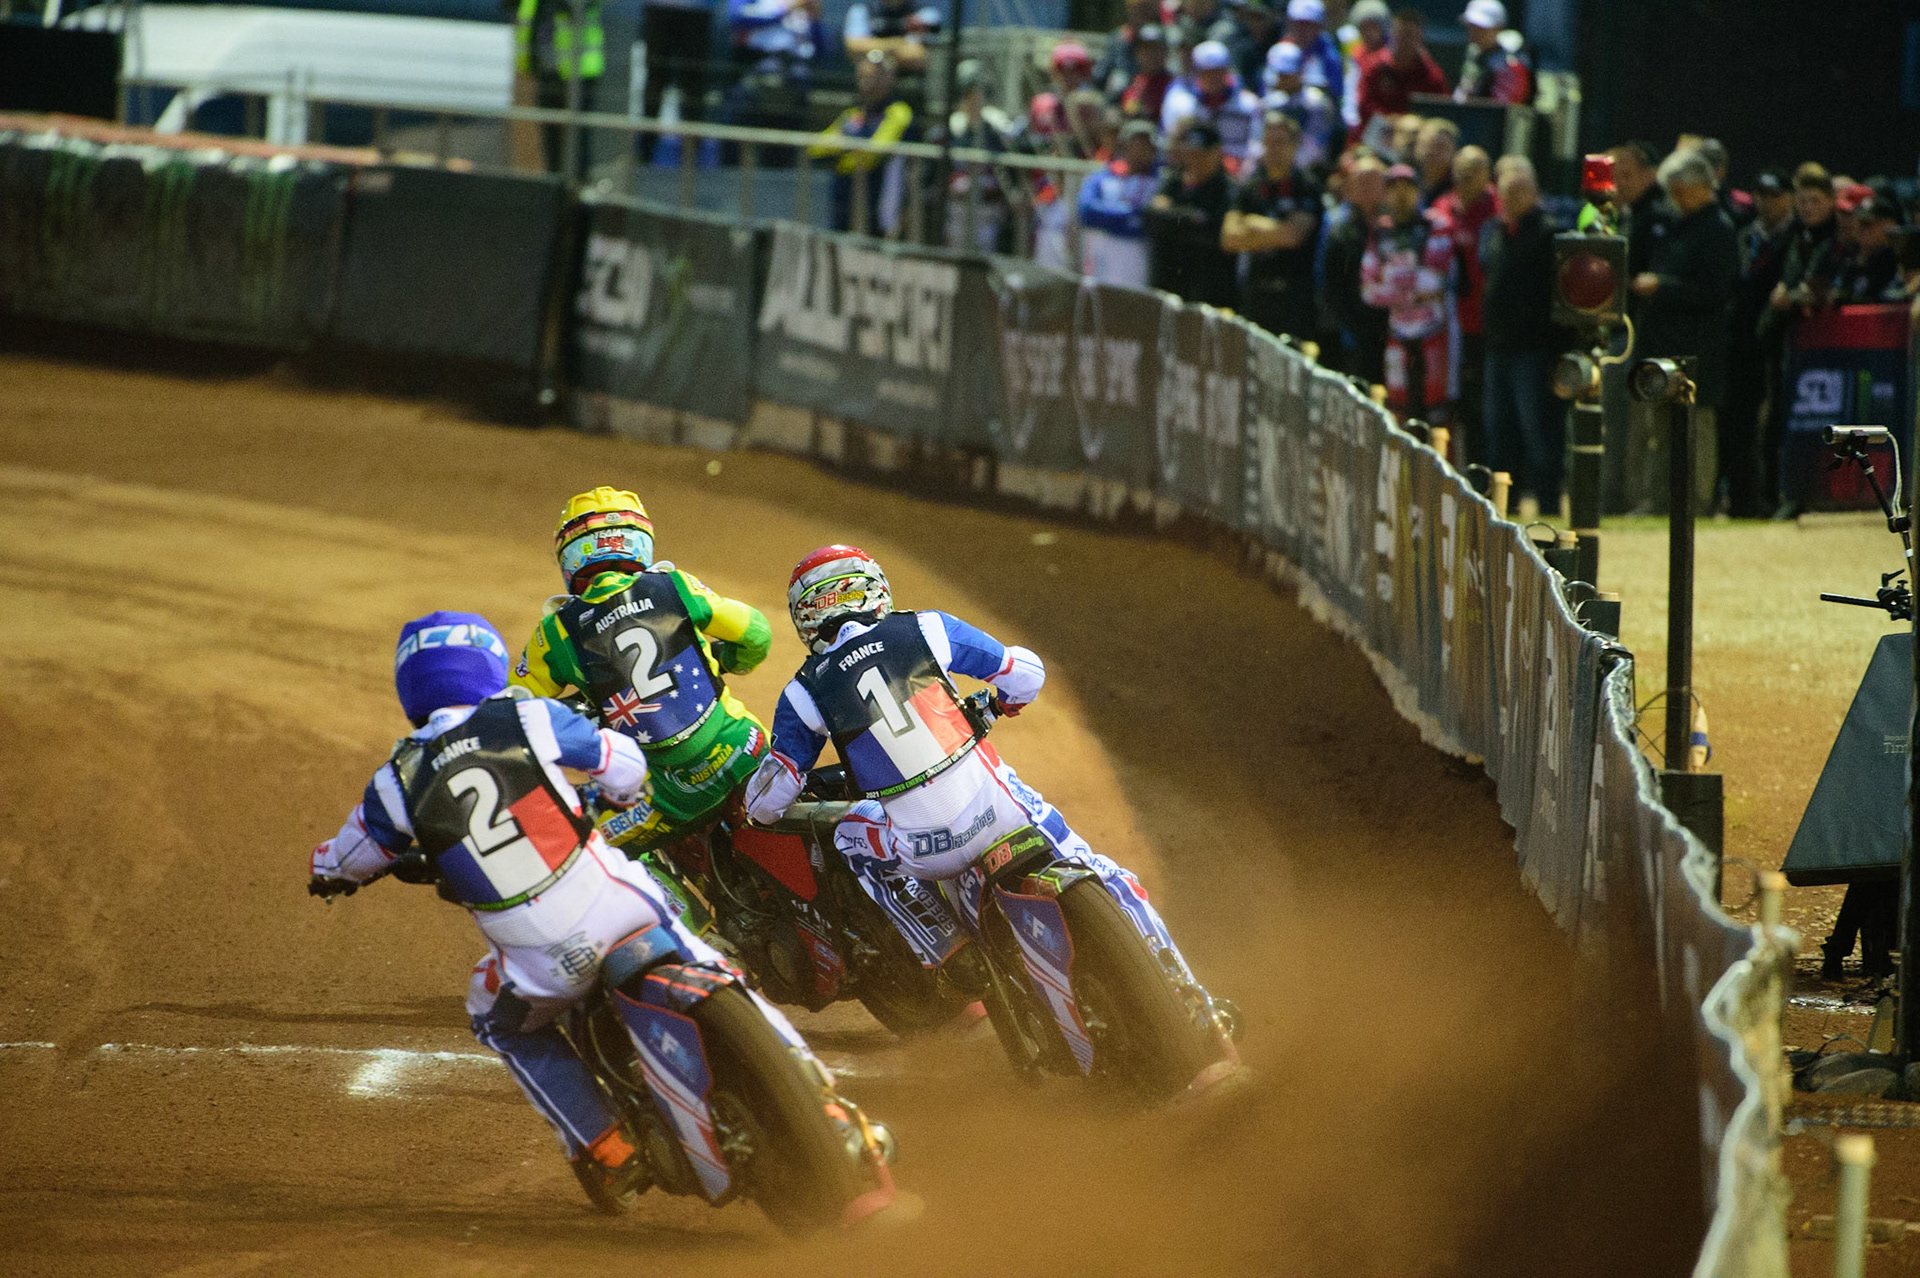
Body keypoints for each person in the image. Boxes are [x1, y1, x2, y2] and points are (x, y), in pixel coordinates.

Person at [308, 610, 714, 1205]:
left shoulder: (398, 777)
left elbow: (349, 860)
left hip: (542, 961)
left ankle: (605, 1145)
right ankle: (823, 1101)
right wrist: (616, 794)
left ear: (409, 685)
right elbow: (625, 765)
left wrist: (325, 872)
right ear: (489, 664)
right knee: (707, 954)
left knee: (494, 1019)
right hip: (620, 904)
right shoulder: (527, 713)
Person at [741, 546, 1222, 1032]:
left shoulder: (804, 692)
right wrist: (996, 706)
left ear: (806, 621)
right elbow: (1026, 676)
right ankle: (1195, 1006)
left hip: (924, 851)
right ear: (875, 590)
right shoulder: (926, 628)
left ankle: (944, 948)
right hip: (1001, 815)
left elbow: (772, 797)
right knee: (1115, 881)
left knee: (847, 838)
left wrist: (755, 806)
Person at [509, 488, 774, 930]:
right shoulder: (674, 586)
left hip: (672, 793)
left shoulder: (556, 631)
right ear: (639, 542)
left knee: (593, 850)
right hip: (745, 746)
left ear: (571, 557)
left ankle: (699, 940)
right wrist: (726, 662)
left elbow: (515, 712)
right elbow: (758, 635)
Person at [1628, 147, 1739, 515]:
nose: (1673, 197)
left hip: (1698, 350)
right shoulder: (1675, 224)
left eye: (1678, 189)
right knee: (1660, 430)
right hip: (1663, 345)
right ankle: (1660, 502)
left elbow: (1716, 292)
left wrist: (1662, 287)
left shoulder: (1718, 230)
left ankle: (1696, 503)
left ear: (1700, 187)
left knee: (1697, 429)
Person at [1479, 156, 1566, 517]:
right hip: (1498, 348)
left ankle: (1547, 503)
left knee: (1539, 432)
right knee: (1500, 430)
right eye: (1505, 193)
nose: (1510, 200)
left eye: (1517, 192)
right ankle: (1506, 505)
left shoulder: (1548, 232)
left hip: (1532, 349)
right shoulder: (1496, 231)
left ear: (1534, 193)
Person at [1720, 167, 1795, 517]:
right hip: (1742, 342)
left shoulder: (1796, 237)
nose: (1767, 202)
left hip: (1779, 342)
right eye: (1762, 195)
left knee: (1771, 425)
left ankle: (1769, 496)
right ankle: (1743, 499)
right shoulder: (1746, 235)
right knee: (1739, 423)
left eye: (1775, 195)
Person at [1362, 162, 1456, 426]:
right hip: (1398, 334)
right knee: (1397, 408)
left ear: (1418, 191)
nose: (1401, 195)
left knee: (1437, 411)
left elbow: (1434, 282)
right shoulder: (1380, 232)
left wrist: (1393, 279)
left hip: (1433, 333)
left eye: (1407, 188)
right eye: (1393, 189)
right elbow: (1368, 291)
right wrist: (1410, 293)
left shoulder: (1436, 225)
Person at [1224, 109, 1323, 339]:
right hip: (1255, 293)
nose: (1274, 149)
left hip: (1294, 297)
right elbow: (1229, 238)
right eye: (1268, 142)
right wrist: (1275, 230)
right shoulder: (1251, 185)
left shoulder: (1306, 186)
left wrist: (1251, 225)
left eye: (1280, 142)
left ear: (1294, 145)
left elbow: (1292, 236)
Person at [813, 51, 918, 235]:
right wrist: (851, 150)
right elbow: (816, 148)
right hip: (845, 203)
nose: (869, 83)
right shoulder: (853, 115)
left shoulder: (899, 112)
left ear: (890, 79)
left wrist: (843, 153)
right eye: (864, 76)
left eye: (877, 77)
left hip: (879, 207)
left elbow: (874, 153)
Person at [1433, 145, 1494, 460]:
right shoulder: (1443, 208)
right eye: (1460, 174)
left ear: (1487, 175)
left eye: (1473, 174)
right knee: (1452, 403)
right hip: (1447, 326)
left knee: (1483, 405)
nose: (1466, 180)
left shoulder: (1497, 208)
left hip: (1485, 325)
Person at [1145, 120, 1239, 307]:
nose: (1195, 160)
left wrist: (1175, 219)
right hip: (1167, 286)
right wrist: (1191, 219)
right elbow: (1152, 216)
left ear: (1216, 152)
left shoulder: (1227, 190)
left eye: (1202, 154)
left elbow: (1216, 231)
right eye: (1191, 153)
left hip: (1209, 292)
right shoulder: (1173, 182)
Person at [929, 60, 1014, 253]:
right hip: (956, 212)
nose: (974, 98)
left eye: (978, 91)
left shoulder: (996, 131)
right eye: (968, 92)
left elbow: (1006, 175)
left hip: (986, 213)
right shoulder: (948, 131)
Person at [1320, 150, 1390, 381]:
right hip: (1350, 328)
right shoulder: (1336, 227)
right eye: (1361, 181)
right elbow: (1328, 280)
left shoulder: (1395, 226)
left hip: (1389, 330)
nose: (1367, 188)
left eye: (1374, 181)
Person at [515, 0, 604, 179]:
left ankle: (577, 193)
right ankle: (555, 188)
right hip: (544, 68)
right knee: (550, 140)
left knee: (577, 141)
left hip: (579, 71)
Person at [720, 0, 823, 137]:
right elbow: (736, 18)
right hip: (751, 63)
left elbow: (821, 48)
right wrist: (785, 11)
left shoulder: (804, 4)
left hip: (794, 71)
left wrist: (815, 19)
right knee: (739, 117)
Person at [1080, 119, 1161, 287]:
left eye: (1146, 146)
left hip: (1142, 253)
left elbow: (1154, 220)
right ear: (1124, 146)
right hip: (1105, 251)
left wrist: (1124, 219)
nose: (1141, 151)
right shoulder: (1104, 177)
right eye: (1136, 145)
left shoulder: (1161, 182)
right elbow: (1086, 212)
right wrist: (1130, 215)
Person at [1160, 39, 1263, 167]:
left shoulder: (1248, 104)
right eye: (1207, 72)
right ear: (1197, 72)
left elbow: (1257, 144)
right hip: (1198, 171)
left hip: (1241, 173)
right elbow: (1172, 148)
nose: (1213, 78)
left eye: (1218, 71)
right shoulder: (1182, 105)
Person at [1355, 7, 1447, 132]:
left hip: (1415, 138)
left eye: (1410, 35)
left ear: (1420, 37)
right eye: (1401, 34)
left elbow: (1440, 113)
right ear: (1392, 35)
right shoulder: (1374, 67)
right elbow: (1364, 107)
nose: (1405, 41)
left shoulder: (1432, 75)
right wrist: (1392, 121)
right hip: (1375, 135)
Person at [1260, 39, 1340, 173]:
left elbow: (1317, 146)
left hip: (1307, 172)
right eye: (1280, 74)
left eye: (1287, 74)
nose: (1282, 78)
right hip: (1274, 166)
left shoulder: (1316, 103)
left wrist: (1286, 164)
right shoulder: (1270, 103)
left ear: (1300, 72)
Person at [1452, 0, 1531, 105]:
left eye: (1482, 28)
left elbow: (1504, 106)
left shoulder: (1512, 64)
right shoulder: (1473, 55)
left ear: (1498, 28)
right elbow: (1461, 97)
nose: (1475, 33)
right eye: (1471, 27)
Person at [1833, 195, 1901, 302]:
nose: (1860, 229)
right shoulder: (1850, 260)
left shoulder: (1900, 262)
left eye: (1867, 224)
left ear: (1889, 225)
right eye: (1858, 222)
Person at [1336, 0, 1390, 128]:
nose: (1370, 32)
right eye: (1365, 26)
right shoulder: (1354, 54)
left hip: (1378, 123)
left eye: (1374, 26)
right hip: (1352, 121)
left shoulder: (1388, 59)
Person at [1281, 0, 1345, 107]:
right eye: (1298, 24)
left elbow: (1336, 93)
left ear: (1319, 26)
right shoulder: (1283, 47)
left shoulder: (1328, 55)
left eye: (1308, 25)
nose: (1301, 30)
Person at [1094, 0, 1162, 99]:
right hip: (1124, 84)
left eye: (1144, 9)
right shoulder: (1119, 36)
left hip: (1151, 81)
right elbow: (1103, 69)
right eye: (1136, 9)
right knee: (1118, 80)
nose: (1140, 13)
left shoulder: (1156, 34)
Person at [844, 0, 940, 70]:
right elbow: (854, 46)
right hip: (872, 67)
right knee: (871, 67)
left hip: (912, 77)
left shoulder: (925, 12)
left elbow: (916, 54)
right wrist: (897, 44)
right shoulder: (862, 9)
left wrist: (873, 47)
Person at [1117, 24, 1176, 122]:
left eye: (1156, 49)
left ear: (1166, 52)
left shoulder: (1173, 85)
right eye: (1146, 50)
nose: (1151, 55)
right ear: (1137, 53)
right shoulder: (1131, 82)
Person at [1223, 0, 1282, 91]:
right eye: (1251, 17)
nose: (1256, 23)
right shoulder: (1241, 46)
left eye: (1260, 18)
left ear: (1272, 17)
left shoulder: (1280, 42)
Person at [1413, 116, 1458, 205]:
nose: (1433, 152)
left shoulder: (1459, 186)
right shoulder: (1405, 179)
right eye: (1428, 145)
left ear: (1453, 151)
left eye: (1441, 147)